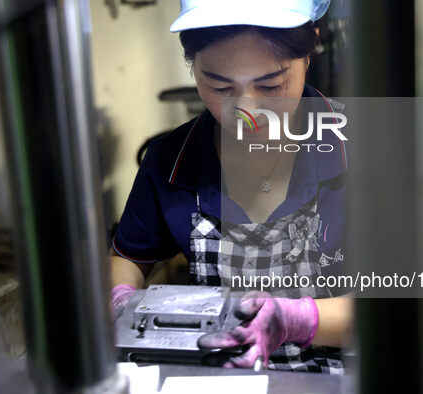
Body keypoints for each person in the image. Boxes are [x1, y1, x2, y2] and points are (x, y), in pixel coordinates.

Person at [110, 0, 353, 373]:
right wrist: (120, 301)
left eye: (270, 85)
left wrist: (299, 319)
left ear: (309, 52)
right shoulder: (170, 161)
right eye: (220, 86)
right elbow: (127, 257)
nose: (246, 110)